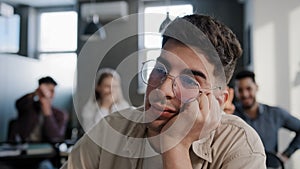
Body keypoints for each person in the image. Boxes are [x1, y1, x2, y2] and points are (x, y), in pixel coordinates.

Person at [63, 14, 266, 169]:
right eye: (160, 70)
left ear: (220, 101)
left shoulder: (239, 146)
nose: (162, 90)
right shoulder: (111, 129)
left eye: (189, 80)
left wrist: (175, 147)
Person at [231, 70, 300, 165]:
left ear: (256, 87)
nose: (245, 94)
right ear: (235, 92)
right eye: (240, 90)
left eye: (248, 88)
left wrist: (286, 154)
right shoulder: (230, 115)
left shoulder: (275, 114)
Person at [8, 76, 68, 143]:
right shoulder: (28, 106)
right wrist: (35, 93)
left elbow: (55, 138)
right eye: (47, 90)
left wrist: (46, 110)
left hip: (46, 150)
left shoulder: (60, 114)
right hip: (24, 147)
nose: (49, 94)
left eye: (52, 91)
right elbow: (19, 104)